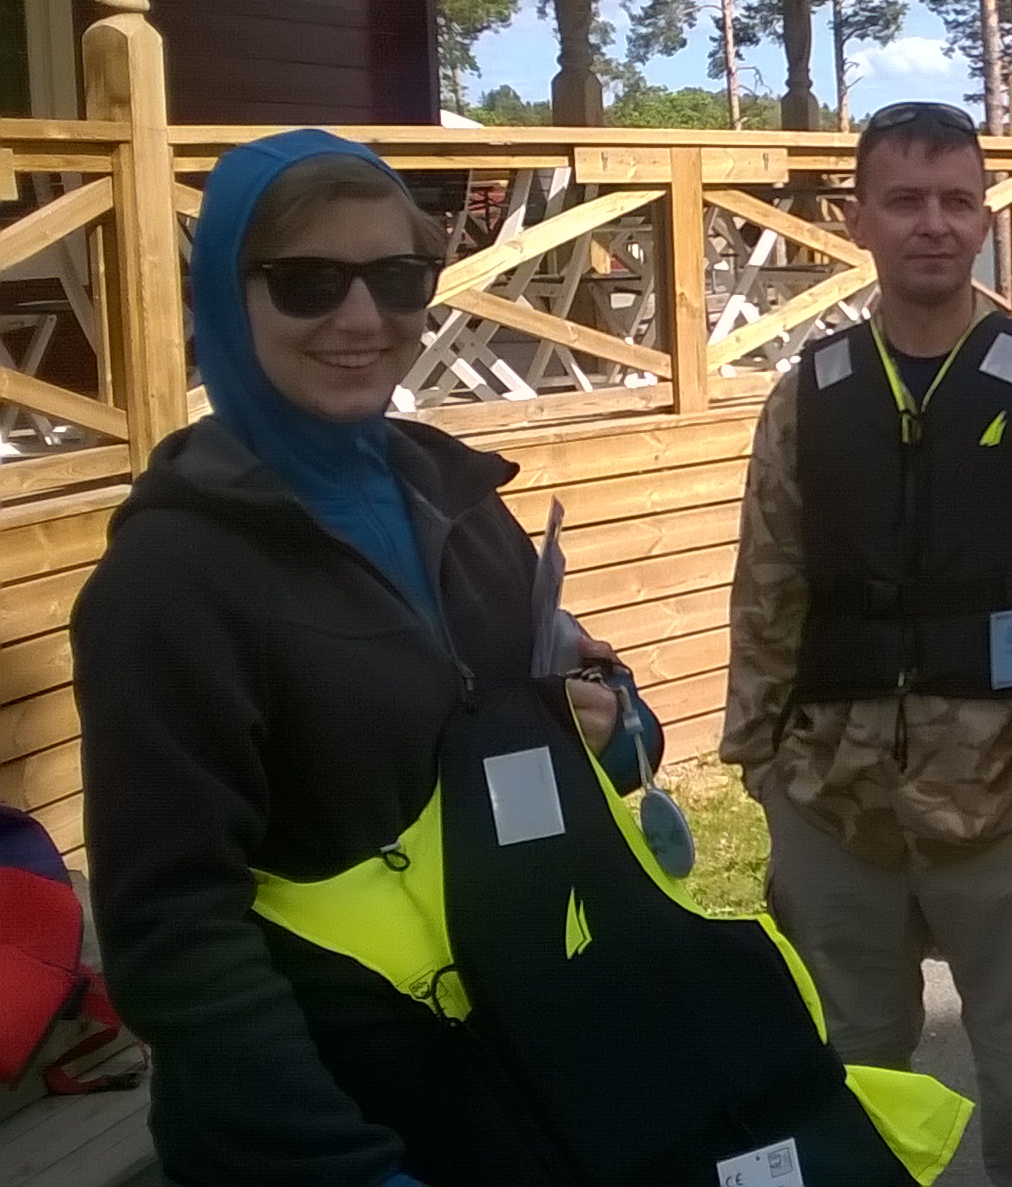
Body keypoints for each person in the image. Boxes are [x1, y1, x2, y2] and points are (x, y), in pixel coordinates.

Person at [72, 130, 966, 1187]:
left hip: (535, 1082)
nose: (361, 319)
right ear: (227, 298)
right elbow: (177, 933)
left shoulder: (452, 499)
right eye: (308, 282)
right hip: (353, 1122)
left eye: (397, 278)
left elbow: (569, 734)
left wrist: (607, 723)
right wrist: (343, 1168)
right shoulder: (172, 582)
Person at [723, 100, 1012, 1187]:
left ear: (984, 221)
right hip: (833, 800)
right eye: (906, 201)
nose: (933, 223)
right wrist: (765, 765)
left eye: (957, 202)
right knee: (847, 1086)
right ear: (860, 218)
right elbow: (767, 586)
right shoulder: (810, 397)